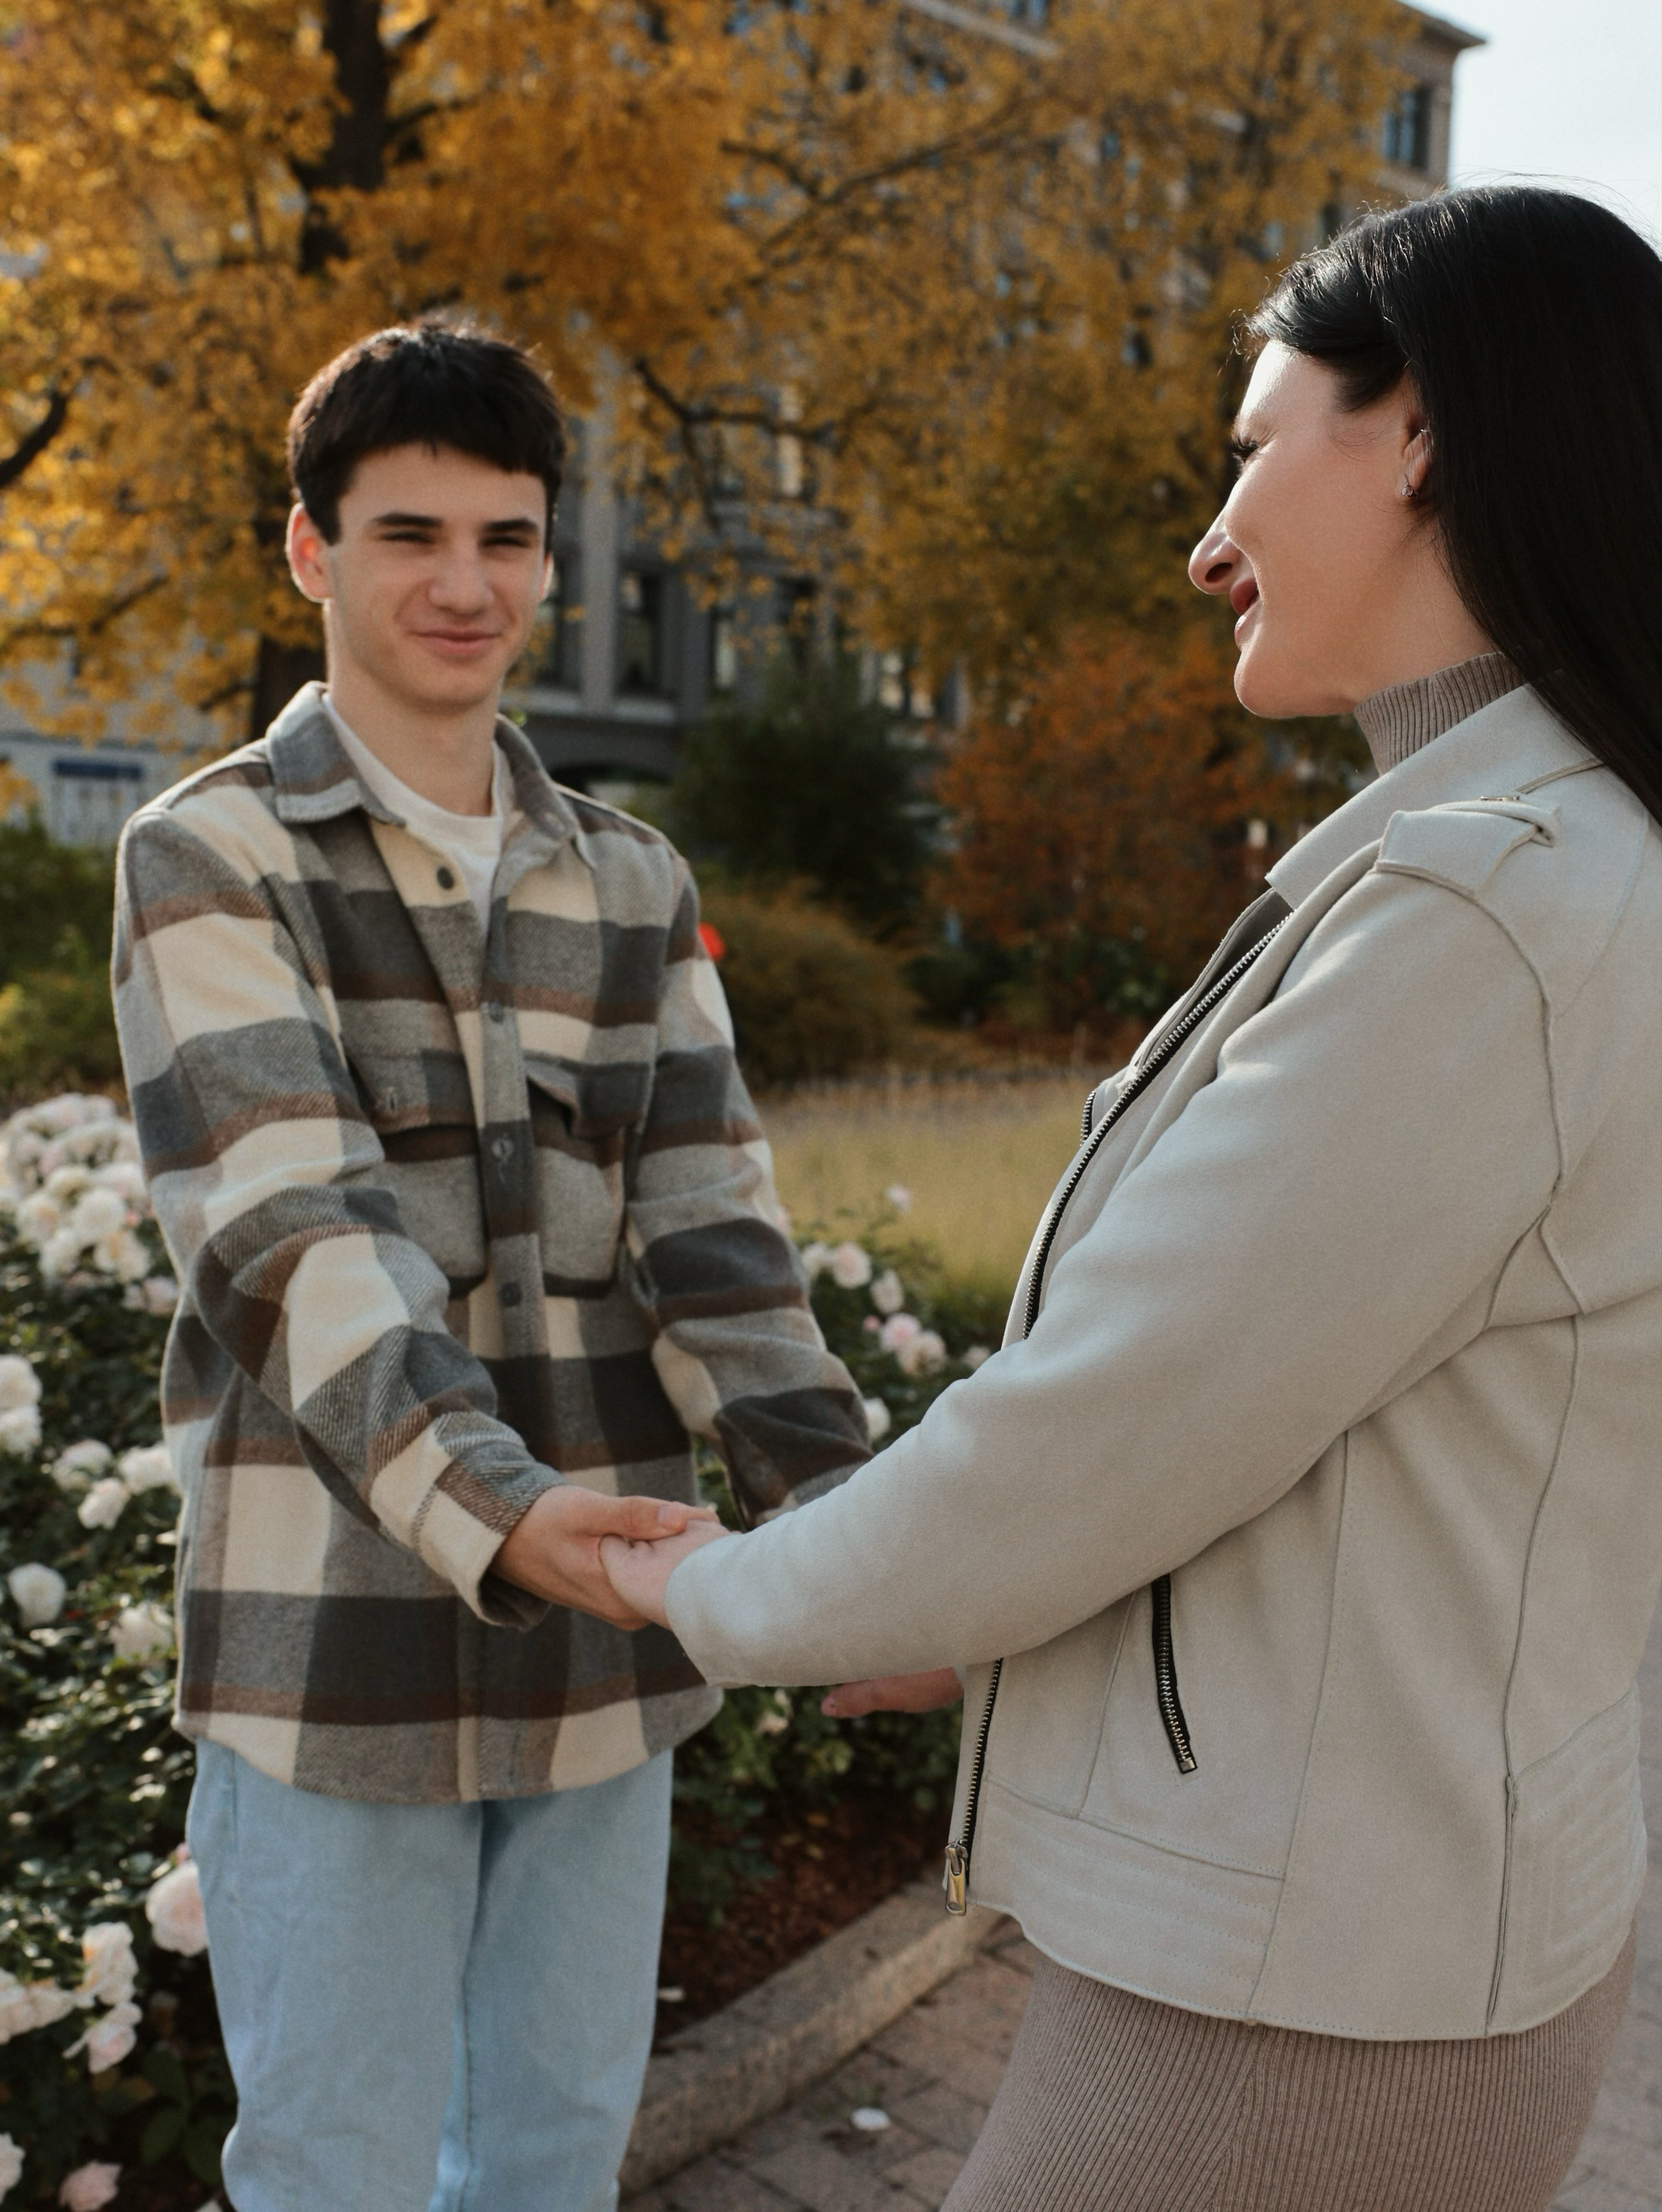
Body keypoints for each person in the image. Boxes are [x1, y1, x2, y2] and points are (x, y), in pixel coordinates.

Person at [602, 186, 1662, 2211]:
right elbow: (1319, 1444)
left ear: (1422, 433)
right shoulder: (1542, 862)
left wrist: (709, 1591)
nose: (1209, 539)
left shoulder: (1490, 904)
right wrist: (979, 1629)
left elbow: (1113, 1422)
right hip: (1384, 1939)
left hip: (1302, 1998)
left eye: (1252, 448)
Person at [110, 319, 870, 2212]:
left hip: (612, 1662)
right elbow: (295, 1241)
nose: (465, 586)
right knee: (337, 2175)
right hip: (327, 1656)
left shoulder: (631, 880)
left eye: (508, 540)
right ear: (311, 550)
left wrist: (855, 1541)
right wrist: (504, 1513)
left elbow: (718, 1238)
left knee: (548, 2168)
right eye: (408, 535)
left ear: (551, 557)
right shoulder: (209, 858)